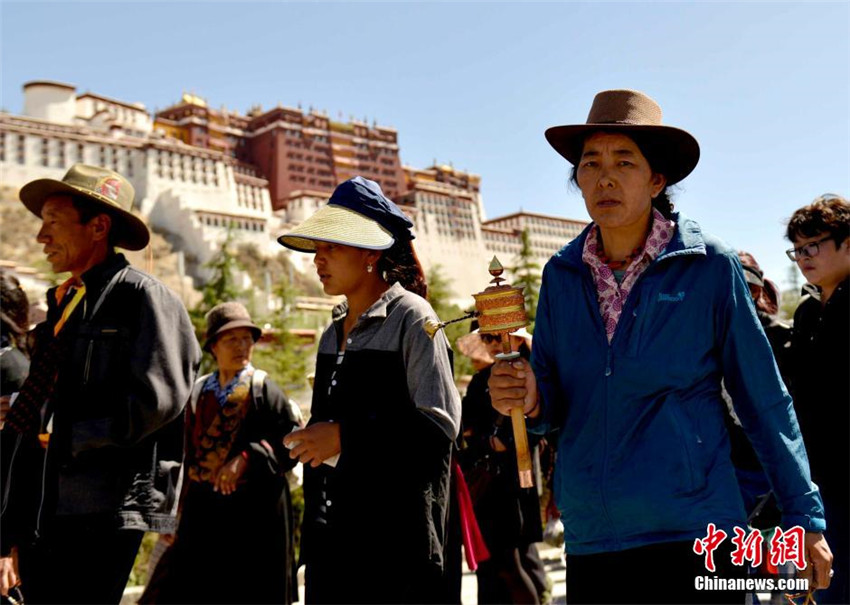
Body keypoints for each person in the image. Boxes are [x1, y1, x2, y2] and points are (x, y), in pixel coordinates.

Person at [488, 90, 833, 604]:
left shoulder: (708, 266)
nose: (605, 177)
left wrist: (805, 516)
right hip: (594, 537)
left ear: (657, 179)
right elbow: (553, 401)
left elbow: (764, 398)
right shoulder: (561, 275)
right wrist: (528, 397)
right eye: (591, 163)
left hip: (696, 532)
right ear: (577, 179)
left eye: (624, 161)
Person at [0, 163, 201, 604]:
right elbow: (59, 390)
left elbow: (158, 400)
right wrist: (22, 405)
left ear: (99, 227)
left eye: (53, 222)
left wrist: (65, 434)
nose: (41, 237)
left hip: (104, 505)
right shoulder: (63, 304)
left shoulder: (145, 298)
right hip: (46, 501)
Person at [279, 176, 461, 603]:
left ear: (369, 253)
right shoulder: (331, 334)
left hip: (397, 548)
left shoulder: (413, 318)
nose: (318, 260)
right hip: (335, 543)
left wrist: (344, 437)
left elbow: (438, 428)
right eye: (317, 250)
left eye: (332, 248)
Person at [147, 302, 302, 604]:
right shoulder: (198, 393)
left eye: (247, 339)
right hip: (205, 514)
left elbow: (291, 443)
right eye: (232, 339)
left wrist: (248, 458)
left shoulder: (263, 390)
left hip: (254, 520)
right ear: (213, 346)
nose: (242, 346)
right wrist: (173, 517)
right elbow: (183, 456)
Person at [785, 194, 849, 604]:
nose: (803, 257)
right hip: (817, 481)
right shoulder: (807, 312)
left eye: (814, 245)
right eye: (797, 249)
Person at [458, 325, 550, 604]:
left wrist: (494, 440)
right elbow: (465, 429)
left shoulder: (536, 375)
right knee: (491, 569)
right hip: (487, 486)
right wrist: (487, 442)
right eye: (487, 338)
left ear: (518, 338)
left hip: (516, 485)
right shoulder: (480, 381)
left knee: (511, 565)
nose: (494, 344)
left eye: (498, 336)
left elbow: (538, 430)